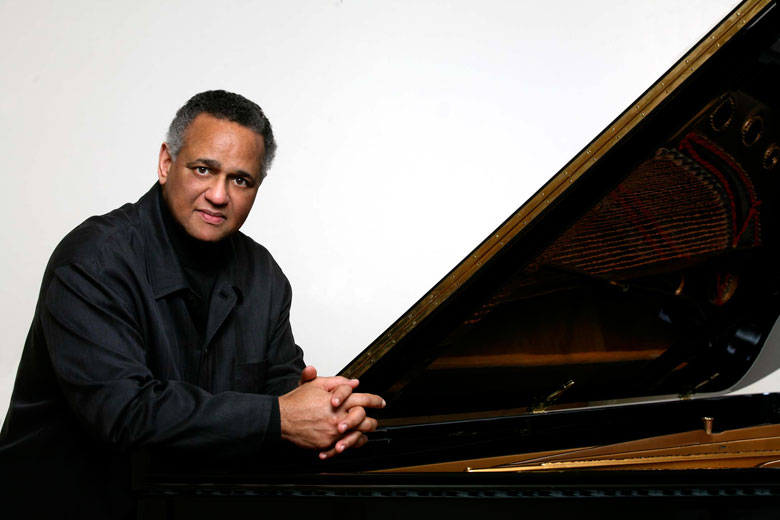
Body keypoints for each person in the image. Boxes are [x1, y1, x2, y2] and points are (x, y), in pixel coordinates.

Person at [0, 90, 384, 518]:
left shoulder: (263, 275)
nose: (219, 195)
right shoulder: (94, 260)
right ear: (166, 163)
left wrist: (332, 416)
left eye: (241, 180)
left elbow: (280, 400)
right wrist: (280, 417)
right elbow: (124, 413)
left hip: (184, 511)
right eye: (204, 169)